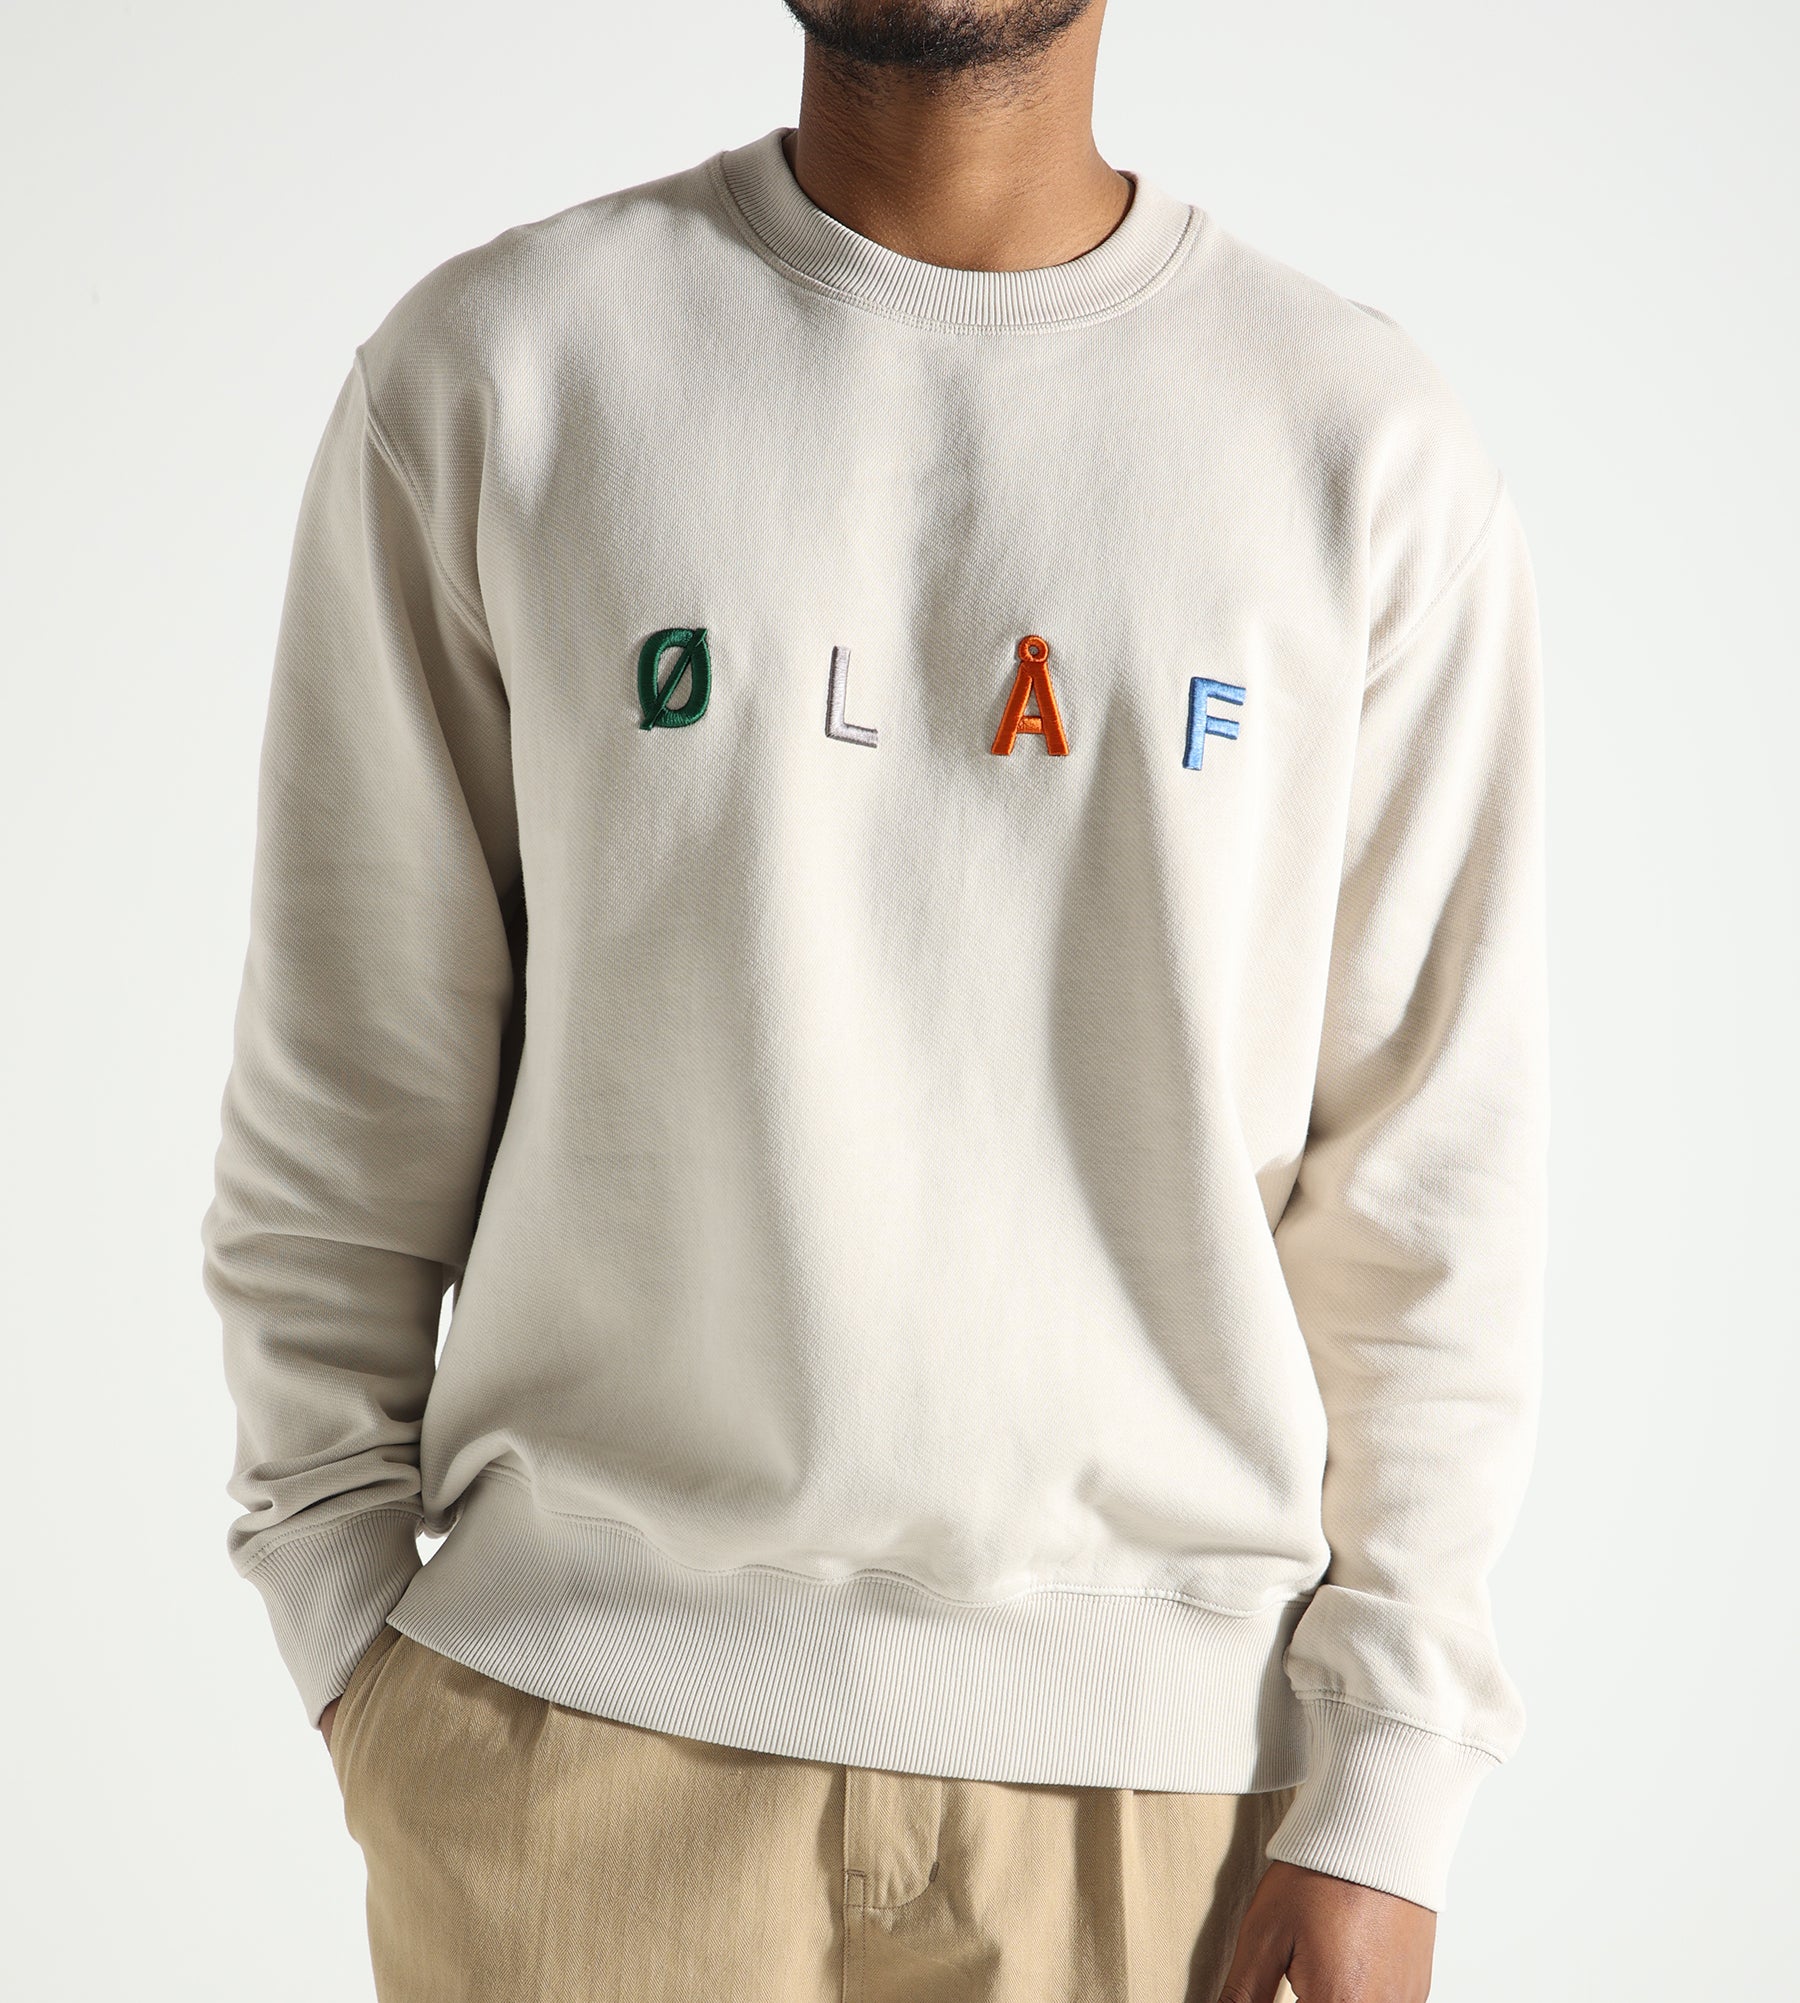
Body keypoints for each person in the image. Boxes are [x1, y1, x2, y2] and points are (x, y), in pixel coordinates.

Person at [200, 2, 1548, 1998]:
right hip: (570, 1761)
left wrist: (1393, 1782)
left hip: (1172, 1806)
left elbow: (1428, 1176)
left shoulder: (1355, 443)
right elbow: (348, 1083)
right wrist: (353, 1643)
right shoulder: (503, 370)